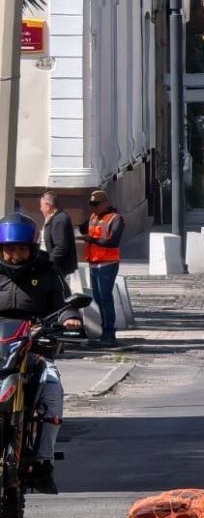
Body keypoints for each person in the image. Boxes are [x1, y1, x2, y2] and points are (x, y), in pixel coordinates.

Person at [0, 213, 83, 494]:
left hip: (35, 347)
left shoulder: (47, 270)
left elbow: (64, 303)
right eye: (9, 249)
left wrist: (70, 318)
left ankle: (44, 461)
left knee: (52, 387)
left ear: (32, 248)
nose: (15, 255)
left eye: (21, 249)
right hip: (1, 352)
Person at [79, 190, 123, 347]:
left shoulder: (115, 218)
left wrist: (92, 239)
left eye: (96, 205)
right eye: (92, 205)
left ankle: (109, 332)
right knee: (98, 298)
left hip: (107, 264)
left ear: (105, 203)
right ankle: (105, 330)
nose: (93, 208)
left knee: (105, 297)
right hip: (94, 263)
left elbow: (113, 242)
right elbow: (83, 228)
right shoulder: (93, 216)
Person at [39, 191, 77, 277]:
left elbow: (61, 247)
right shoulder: (52, 218)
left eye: (42, 206)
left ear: (48, 206)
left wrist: (50, 263)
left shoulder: (59, 220)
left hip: (56, 267)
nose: (40, 209)